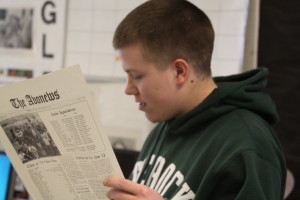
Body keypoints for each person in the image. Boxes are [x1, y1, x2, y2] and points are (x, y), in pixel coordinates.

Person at [103, 0, 287, 199]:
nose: (128, 89)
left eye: (137, 76)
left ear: (179, 71)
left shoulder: (247, 144)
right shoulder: (164, 126)